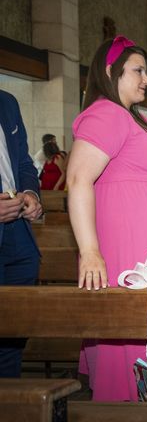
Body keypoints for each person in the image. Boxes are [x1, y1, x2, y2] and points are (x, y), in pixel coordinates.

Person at [66, 35, 147, 401]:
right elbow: (78, 179)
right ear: (111, 71)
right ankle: (125, 402)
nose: (146, 79)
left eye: (146, 72)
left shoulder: (132, 118)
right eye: (138, 70)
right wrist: (90, 251)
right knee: (131, 331)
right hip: (126, 239)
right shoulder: (105, 112)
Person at [0, 89, 43, 378]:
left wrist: (30, 194)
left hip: (17, 235)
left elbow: (24, 162)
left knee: (13, 337)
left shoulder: (6, 101)